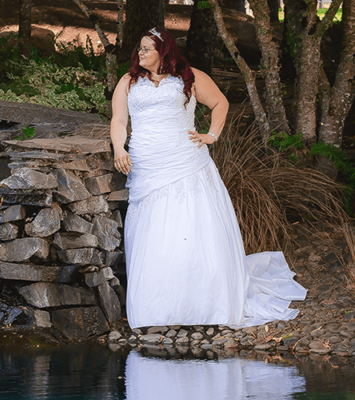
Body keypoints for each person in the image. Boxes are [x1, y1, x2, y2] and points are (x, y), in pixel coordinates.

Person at [110, 26, 305, 329]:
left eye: (147, 48)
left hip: (185, 158)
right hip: (147, 162)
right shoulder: (128, 81)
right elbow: (119, 119)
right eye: (139, 48)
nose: (140, 53)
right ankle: (158, 309)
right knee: (153, 230)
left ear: (164, 50)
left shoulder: (188, 77)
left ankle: (201, 304)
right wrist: (118, 147)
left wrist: (211, 135)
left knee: (190, 225)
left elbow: (220, 103)